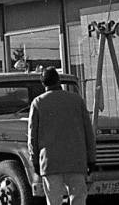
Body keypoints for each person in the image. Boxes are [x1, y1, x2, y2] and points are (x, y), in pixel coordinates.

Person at [28, 67, 96, 205]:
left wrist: (35, 161)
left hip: (50, 162)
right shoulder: (77, 100)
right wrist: (91, 159)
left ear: (43, 83)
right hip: (76, 161)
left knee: (53, 201)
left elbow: (32, 136)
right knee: (78, 199)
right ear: (58, 80)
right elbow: (88, 132)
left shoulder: (38, 103)